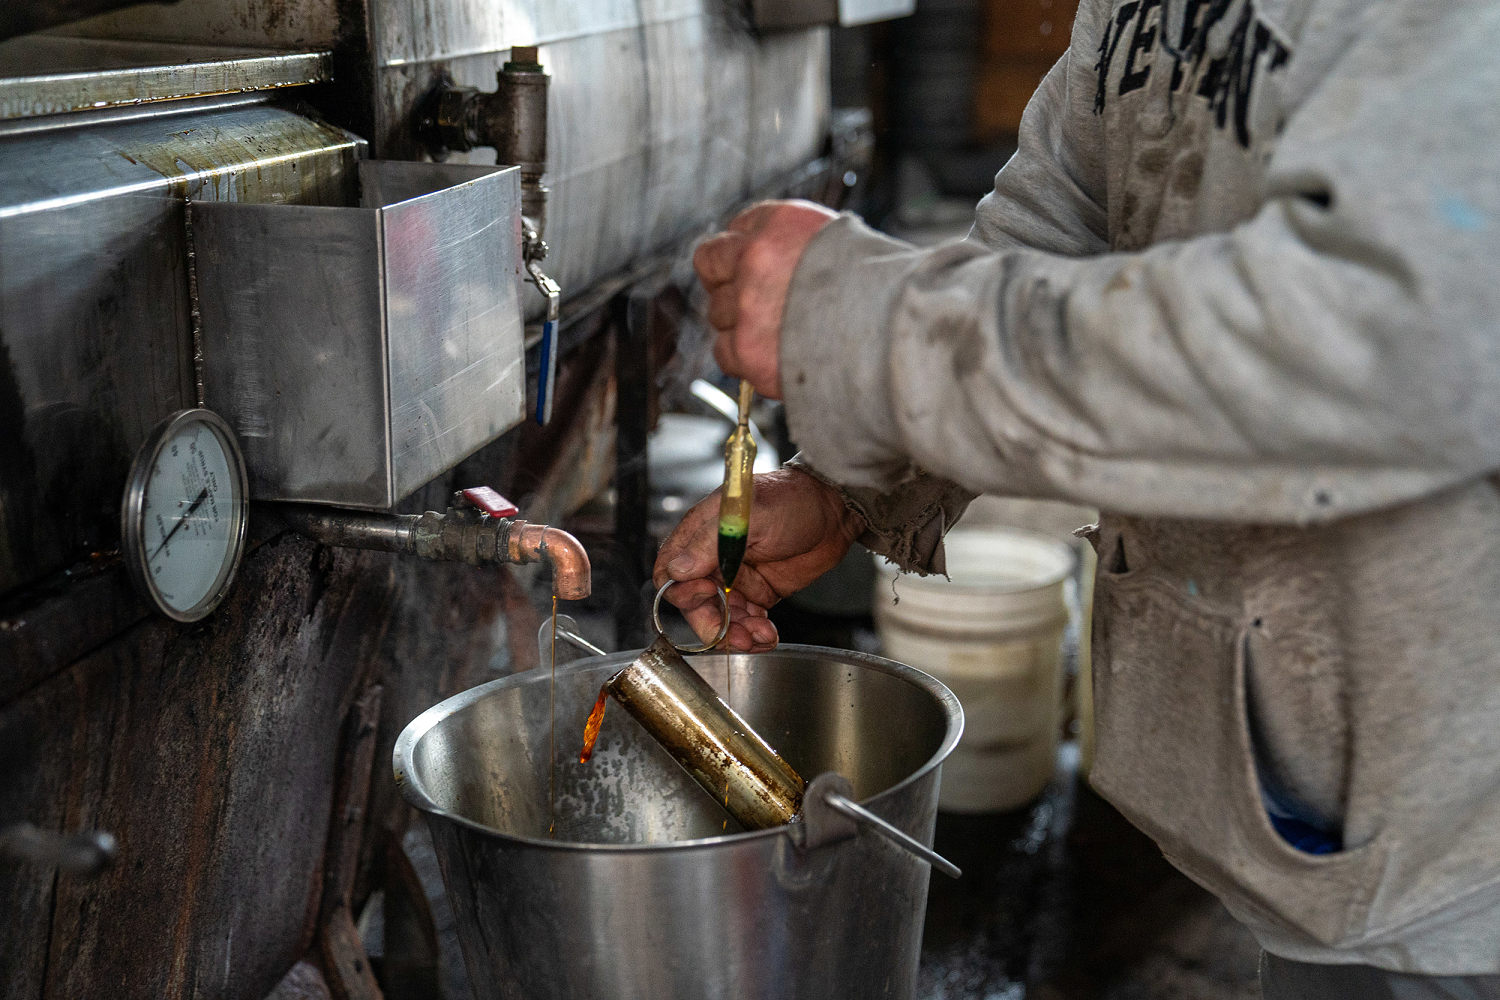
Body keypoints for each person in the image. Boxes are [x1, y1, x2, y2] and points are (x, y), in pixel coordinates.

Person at [652, 0, 1500, 996]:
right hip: (1322, 848)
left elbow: (1377, 336)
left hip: (1458, 860)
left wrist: (870, 331)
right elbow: (1055, 232)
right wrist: (852, 485)